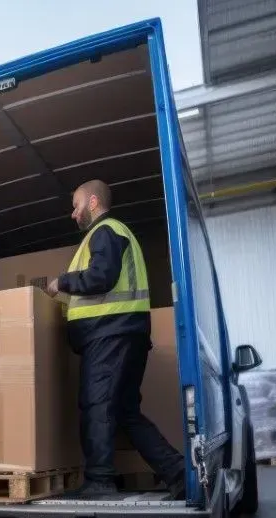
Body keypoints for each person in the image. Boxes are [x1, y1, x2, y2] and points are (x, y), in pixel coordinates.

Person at [45, 179, 185, 501]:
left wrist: (61, 282)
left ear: (93, 202)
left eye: (76, 205)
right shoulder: (115, 233)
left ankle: (100, 481)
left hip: (111, 335)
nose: (73, 213)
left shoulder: (105, 231)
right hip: (124, 335)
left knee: (97, 405)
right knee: (124, 412)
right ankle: (178, 473)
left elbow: (101, 277)